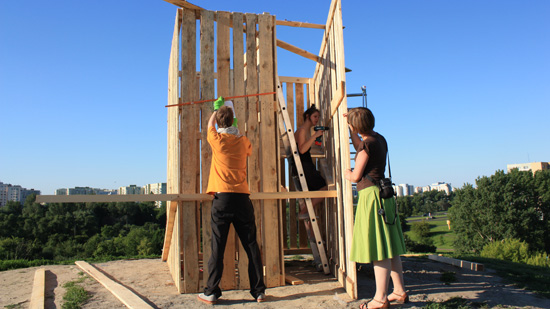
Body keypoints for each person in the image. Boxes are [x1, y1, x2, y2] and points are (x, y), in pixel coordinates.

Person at [197, 97, 266, 304]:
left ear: (219, 122)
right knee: (251, 245)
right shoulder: (242, 142)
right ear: (234, 121)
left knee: (217, 246)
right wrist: (231, 116)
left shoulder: (217, 140)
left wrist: (216, 110)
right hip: (243, 198)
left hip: (222, 199)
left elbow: (210, 124)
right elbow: (243, 139)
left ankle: (211, 292)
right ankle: (259, 291)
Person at [344, 107, 408, 309]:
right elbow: (361, 146)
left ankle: (380, 299)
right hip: (384, 196)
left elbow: (355, 176)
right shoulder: (379, 139)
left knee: (379, 249)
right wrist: (352, 129)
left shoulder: (366, 146)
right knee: (391, 247)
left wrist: (345, 172)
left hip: (371, 197)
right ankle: (399, 291)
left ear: (356, 126)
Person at [293, 105, 328, 219]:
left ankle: (311, 229)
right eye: (315, 116)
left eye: (318, 117)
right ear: (307, 116)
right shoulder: (302, 130)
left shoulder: (306, 130)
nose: (317, 119)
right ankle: (303, 211)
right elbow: (302, 150)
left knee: (314, 194)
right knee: (325, 188)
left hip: (305, 165)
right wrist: (314, 136)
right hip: (303, 166)